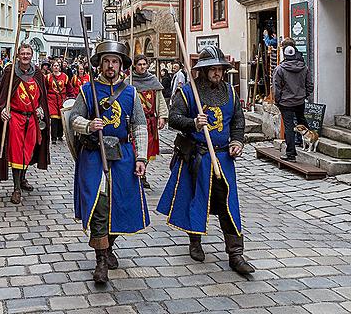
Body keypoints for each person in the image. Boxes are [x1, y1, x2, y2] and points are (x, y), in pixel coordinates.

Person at [157, 46, 255, 275]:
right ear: (202, 70)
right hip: (198, 157)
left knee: (228, 204)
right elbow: (174, 118)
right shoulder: (188, 92)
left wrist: (237, 142)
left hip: (223, 158)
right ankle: (195, 241)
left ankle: (236, 254)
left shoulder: (230, 92)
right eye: (212, 69)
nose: (217, 73)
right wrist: (193, 123)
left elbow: (238, 121)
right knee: (197, 198)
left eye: (220, 69)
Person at [67, 40, 149, 285]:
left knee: (118, 203)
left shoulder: (131, 93)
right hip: (94, 155)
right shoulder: (88, 89)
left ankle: (109, 245)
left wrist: (142, 157)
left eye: (115, 61)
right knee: (99, 205)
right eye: (106, 61)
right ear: (100, 64)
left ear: (121, 64)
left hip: (122, 155)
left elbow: (139, 126)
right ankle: (100, 259)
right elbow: (73, 119)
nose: (111, 65)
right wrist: (89, 125)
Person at [0, 43, 50, 204]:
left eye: (28, 53)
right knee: (16, 153)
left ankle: (22, 179)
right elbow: (3, 96)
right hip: (16, 118)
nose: (25, 56)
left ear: (31, 55)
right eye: (23, 53)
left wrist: (41, 107)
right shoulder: (10, 72)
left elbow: (42, 95)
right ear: (18, 55)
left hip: (32, 119)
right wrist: (3, 110)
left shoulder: (38, 73)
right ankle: (16, 188)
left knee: (28, 151)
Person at [132, 54, 169, 189]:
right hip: (134, 122)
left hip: (150, 122)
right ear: (134, 66)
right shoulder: (129, 81)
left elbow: (159, 100)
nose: (142, 67)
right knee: (135, 148)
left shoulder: (153, 81)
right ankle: (136, 173)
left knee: (147, 150)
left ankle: (143, 174)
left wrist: (162, 116)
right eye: (139, 64)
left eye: (144, 64)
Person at [273, 45, 314, 162]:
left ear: (285, 55)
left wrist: (277, 100)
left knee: (289, 127)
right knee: (302, 120)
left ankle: (291, 154)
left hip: (286, 102)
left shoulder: (280, 69)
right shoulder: (304, 67)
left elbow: (276, 87)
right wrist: (305, 95)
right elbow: (309, 84)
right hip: (300, 100)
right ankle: (308, 140)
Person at [47, 60, 74, 145]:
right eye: (54, 65)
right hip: (51, 99)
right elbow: (45, 88)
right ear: (52, 67)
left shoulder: (65, 77)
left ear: (59, 67)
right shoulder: (48, 77)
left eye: (57, 65)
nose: (56, 67)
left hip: (62, 99)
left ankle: (60, 134)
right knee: (54, 117)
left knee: (61, 117)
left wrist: (71, 96)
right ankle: (53, 137)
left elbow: (69, 88)